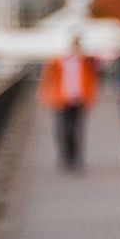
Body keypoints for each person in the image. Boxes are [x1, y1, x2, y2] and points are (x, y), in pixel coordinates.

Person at [39, 36, 101, 172]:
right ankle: (66, 157)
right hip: (62, 100)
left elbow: (94, 76)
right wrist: (45, 97)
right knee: (64, 129)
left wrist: (90, 98)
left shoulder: (85, 62)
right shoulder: (57, 61)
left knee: (77, 129)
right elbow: (47, 79)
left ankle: (76, 158)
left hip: (79, 99)